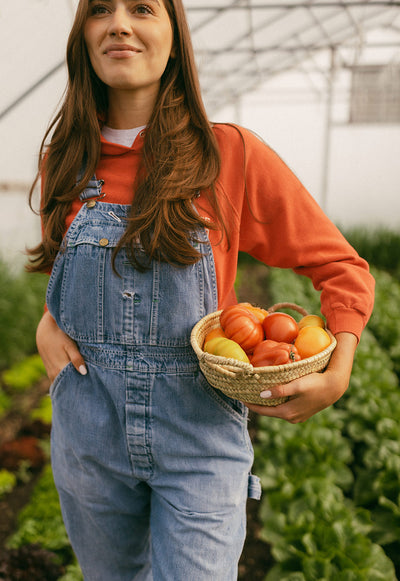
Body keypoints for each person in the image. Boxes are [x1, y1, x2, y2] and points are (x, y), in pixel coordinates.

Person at [27, 0, 375, 579]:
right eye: (100, 10)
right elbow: (62, 277)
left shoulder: (228, 156)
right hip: (89, 437)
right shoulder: (63, 161)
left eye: (142, 8)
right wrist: (48, 322)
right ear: (82, 36)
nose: (119, 23)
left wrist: (338, 368)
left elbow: (342, 266)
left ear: (174, 38)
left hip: (198, 438)